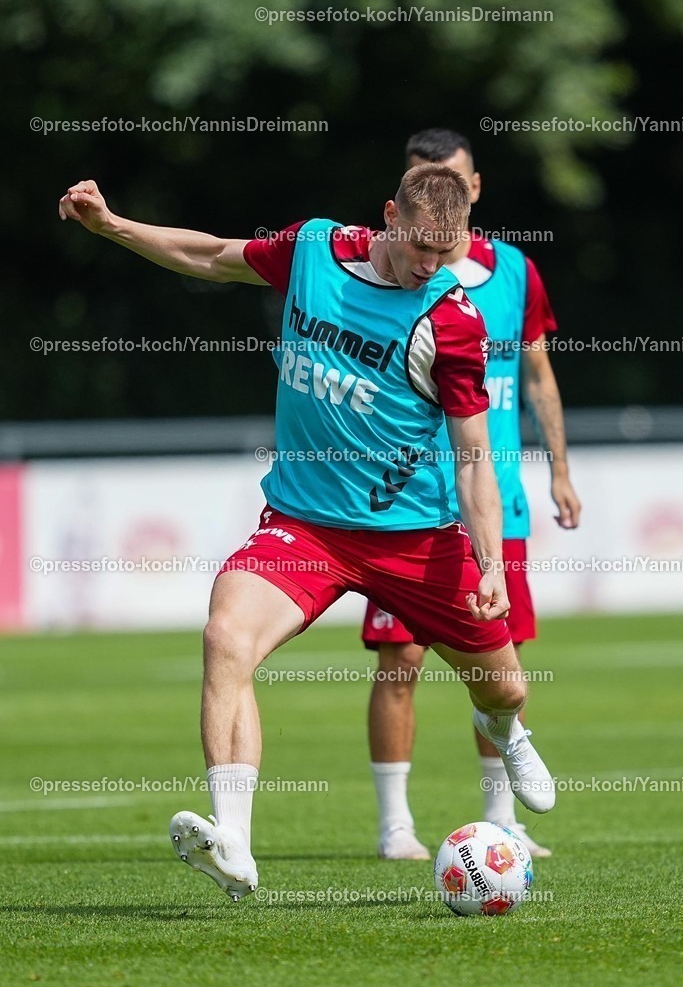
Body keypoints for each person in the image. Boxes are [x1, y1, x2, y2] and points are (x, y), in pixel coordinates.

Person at [58, 164, 555, 902]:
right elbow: (210, 256)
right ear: (389, 216)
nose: (429, 264)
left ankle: (507, 732)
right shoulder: (313, 251)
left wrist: (489, 563)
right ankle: (233, 840)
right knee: (226, 636)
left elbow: (474, 455)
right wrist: (113, 225)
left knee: (506, 688)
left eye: (443, 251)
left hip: (415, 536)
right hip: (306, 529)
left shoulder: (453, 321)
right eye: (419, 245)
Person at [363, 129, 580, 862]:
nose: (439, 192)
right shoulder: (386, 279)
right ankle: (395, 824)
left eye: (450, 179)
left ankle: (501, 820)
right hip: (407, 503)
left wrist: (558, 467)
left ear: (474, 188)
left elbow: (538, 374)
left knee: (497, 661)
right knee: (400, 662)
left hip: (496, 501)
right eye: (422, 179)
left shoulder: (515, 272)